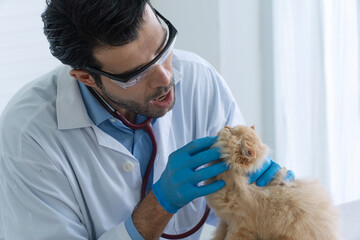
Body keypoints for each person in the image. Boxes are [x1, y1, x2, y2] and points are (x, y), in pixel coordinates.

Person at [0, 0, 293, 239]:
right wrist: (158, 205)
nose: (166, 77)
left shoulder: (198, 79)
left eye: (162, 46)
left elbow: (235, 211)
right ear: (86, 77)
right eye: (136, 74)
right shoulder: (28, 136)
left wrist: (262, 193)